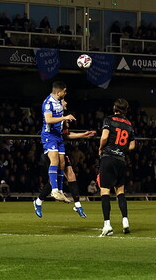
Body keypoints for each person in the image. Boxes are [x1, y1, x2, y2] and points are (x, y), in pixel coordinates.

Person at [34, 96, 95, 218]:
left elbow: (66, 135)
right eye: (63, 100)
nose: (65, 102)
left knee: (71, 175)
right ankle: (40, 200)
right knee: (53, 180)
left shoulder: (63, 119)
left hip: (59, 146)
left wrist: (83, 135)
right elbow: (48, 123)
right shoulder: (54, 114)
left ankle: (77, 205)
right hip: (50, 147)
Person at [98, 98, 136, 237]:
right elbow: (132, 146)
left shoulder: (108, 119)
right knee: (120, 191)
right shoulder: (129, 124)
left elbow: (104, 137)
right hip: (121, 160)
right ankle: (125, 221)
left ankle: (107, 224)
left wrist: (101, 148)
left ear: (114, 107)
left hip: (108, 158)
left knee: (105, 191)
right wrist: (121, 148)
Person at [40, 81, 75, 204]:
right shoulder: (48, 103)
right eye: (64, 91)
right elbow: (48, 120)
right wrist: (65, 117)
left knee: (62, 163)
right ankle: (54, 190)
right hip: (49, 136)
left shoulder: (59, 102)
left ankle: (59, 190)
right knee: (54, 160)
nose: (66, 93)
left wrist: (64, 114)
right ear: (58, 92)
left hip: (58, 136)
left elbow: (61, 111)